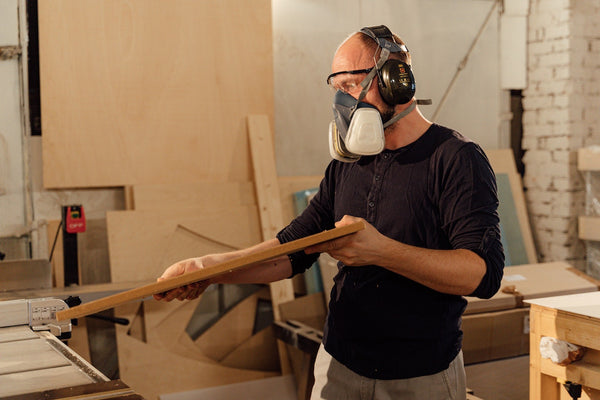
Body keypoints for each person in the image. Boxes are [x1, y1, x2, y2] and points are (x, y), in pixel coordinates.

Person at [154, 25, 504, 400]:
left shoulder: (455, 159)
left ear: (395, 82)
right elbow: (294, 249)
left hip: (420, 375)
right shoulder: (349, 163)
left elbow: (481, 274)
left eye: (351, 86)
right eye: (337, 90)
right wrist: (210, 268)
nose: (344, 103)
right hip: (339, 364)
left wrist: (381, 251)